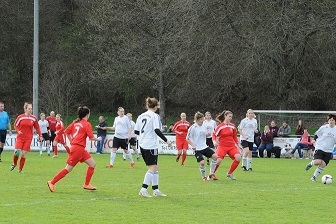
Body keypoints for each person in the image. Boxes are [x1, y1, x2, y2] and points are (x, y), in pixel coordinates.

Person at [47, 106, 102, 192]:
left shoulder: (75, 123)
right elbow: (91, 137)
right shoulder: (86, 124)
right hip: (77, 149)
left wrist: (71, 140)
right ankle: (52, 182)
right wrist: (98, 139)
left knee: (93, 164)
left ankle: (86, 184)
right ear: (87, 114)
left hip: (80, 149)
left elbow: (66, 132)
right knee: (68, 168)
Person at [134, 97, 172, 197]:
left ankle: (156, 190)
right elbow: (156, 130)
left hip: (142, 144)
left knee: (156, 166)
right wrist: (166, 140)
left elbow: (136, 131)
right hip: (150, 145)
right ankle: (143, 189)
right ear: (156, 107)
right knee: (153, 167)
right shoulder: (155, 116)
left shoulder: (141, 116)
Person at [10, 102, 43, 173]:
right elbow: (15, 125)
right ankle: (14, 163)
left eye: (31, 109)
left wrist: (40, 135)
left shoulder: (34, 118)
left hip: (28, 138)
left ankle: (20, 169)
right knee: (17, 152)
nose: (30, 110)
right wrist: (18, 131)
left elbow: (37, 128)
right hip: (20, 137)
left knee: (23, 154)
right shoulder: (20, 117)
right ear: (25, 109)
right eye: (29, 109)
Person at [186, 112, 218, 181]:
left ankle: (211, 174)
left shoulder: (204, 126)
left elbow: (204, 135)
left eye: (203, 119)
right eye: (201, 119)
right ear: (197, 119)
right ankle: (204, 177)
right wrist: (193, 145)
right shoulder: (193, 127)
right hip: (197, 148)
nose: (203, 121)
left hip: (204, 146)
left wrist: (208, 134)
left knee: (215, 157)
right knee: (202, 163)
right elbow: (187, 138)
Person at [305, 114, 336, 182]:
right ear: (328, 121)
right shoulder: (324, 127)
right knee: (317, 162)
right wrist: (314, 139)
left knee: (323, 164)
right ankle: (311, 164)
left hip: (329, 150)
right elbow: (317, 134)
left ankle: (314, 177)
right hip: (320, 147)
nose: (331, 121)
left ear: (335, 121)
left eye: (333, 120)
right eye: (330, 120)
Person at [212, 110, 241, 180]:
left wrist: (238, 144)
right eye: (229, 116)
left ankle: (230, 173)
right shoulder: (220, 126)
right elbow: (214, 135)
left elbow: (234, 137)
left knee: (238, 157)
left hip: (231, 146)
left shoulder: (233, 126)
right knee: (218, 160)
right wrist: (214, 142)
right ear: (225, 116)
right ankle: (212, 173)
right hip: (222, 146)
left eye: (231, 117)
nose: (230, 118)